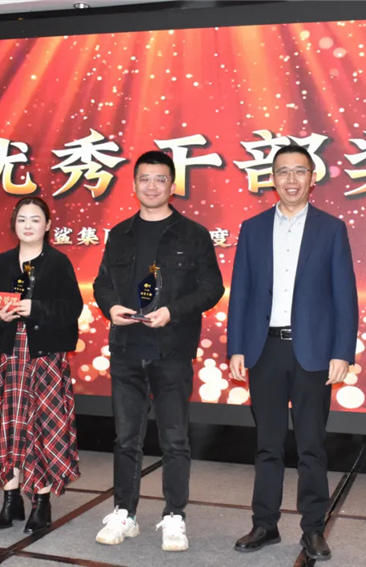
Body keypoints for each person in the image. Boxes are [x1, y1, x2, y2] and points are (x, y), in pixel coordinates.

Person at [227, 144, 358, 561]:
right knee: (267, 444)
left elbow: (345, 296)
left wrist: (342, 352)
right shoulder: (252, 228)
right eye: (283, 171)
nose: (291, 179)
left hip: (313, 352)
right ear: (272, 178)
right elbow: (241, 293)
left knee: (310, 446)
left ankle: (313, 528)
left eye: (299, 171)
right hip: (263, 349)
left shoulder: (330, 229)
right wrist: (236, 347)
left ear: (312, 179)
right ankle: (264, 524)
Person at [92, 150, 224, 552]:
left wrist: (172, 311)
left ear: (172, 186)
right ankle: (125, 513)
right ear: (134, 185)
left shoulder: (193, 234)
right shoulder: (120, 233)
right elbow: (102, 284)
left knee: (175, 440)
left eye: (160, 179)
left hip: (172, 350)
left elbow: (212, 288)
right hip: (127, 349)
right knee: (125, 439)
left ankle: (174, 516)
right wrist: (111, 308)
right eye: (145, 179)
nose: (152, 186)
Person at [0, 196, 83, 534]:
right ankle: (11, 500)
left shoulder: (58, 262)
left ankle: (41, 501)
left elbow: (72, 308)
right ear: (14, 224)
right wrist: (0, 317)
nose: (28, 225)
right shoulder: (3, 262)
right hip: (9, 356)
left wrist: (36, 309)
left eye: (35, 219)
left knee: (43, 428)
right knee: (9, 427)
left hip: (44, 358)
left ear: (47, 225)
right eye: (22, 219)